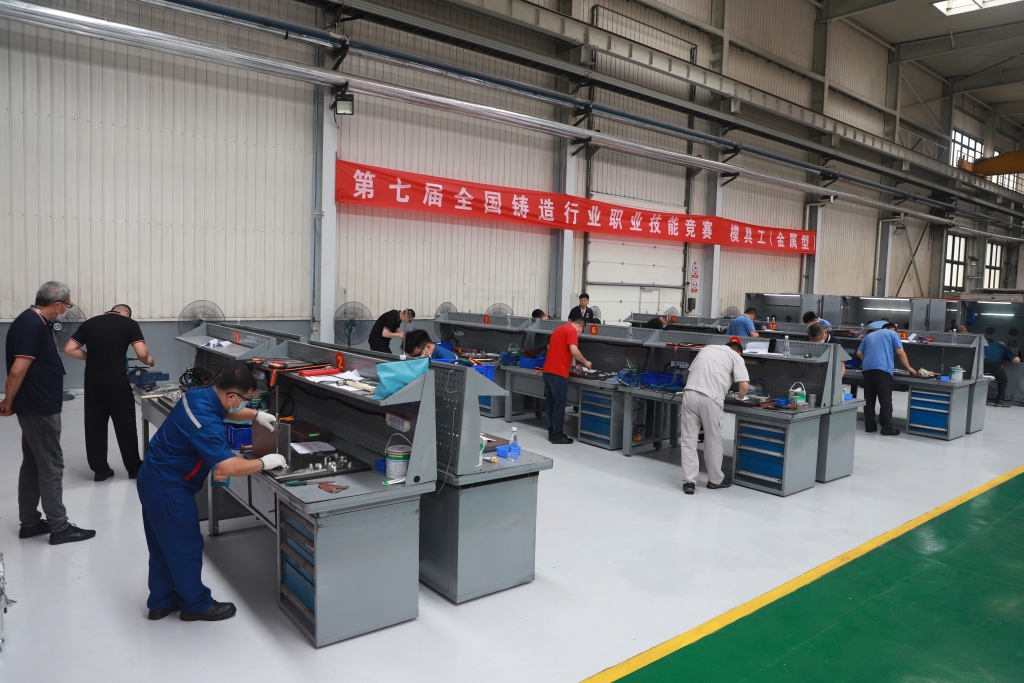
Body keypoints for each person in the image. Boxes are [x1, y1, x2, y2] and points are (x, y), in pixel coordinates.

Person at [137, 365, 285, 622]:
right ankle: (196, 604)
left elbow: (228, 412)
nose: (246, 404)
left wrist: (256, 415)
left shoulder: (200, 395)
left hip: (153, 478)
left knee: (163, 545)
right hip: (169, 487)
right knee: (185, 546)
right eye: (246, 399)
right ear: (232, 396)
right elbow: (229, 466)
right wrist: (264, 462)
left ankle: (161, 601)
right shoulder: (204, 421)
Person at [1, 281, 96, 545]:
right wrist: (8, 400)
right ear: (58, 304)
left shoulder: (35, 322)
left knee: (34, 463)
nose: (67, 309)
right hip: (38, 407)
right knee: (52, 465)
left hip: (37, 404)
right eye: (67, 305)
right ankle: (59, 527)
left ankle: (30, 522)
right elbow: (18, 370)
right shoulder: (31, 325)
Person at [63, 304, 154, 481]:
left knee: (94, 426)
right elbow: (141, 352)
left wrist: (92, 357)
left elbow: (69, 349)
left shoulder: (89, 324)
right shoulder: (129, 324)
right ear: (126, 313)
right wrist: (147, 360)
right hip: (117, 382)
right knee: (126, 426)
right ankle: (134, 469)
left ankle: (100, 470)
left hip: (92, 383)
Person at [679, 341, 749, 495]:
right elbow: (744, 386)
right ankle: (715, 480)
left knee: (688, 440)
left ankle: (689, 482)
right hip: (711, 399)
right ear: (739, 352)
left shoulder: (706, 349)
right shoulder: (735, 356)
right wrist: (740, 398)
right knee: (713, 440)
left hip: (690, 393)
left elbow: (690, 374)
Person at [856, 322, 918, 435]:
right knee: (885, 400)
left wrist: (868, 360)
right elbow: (900, 353)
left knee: (869, 399)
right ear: (893, 329)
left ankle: (869, 426)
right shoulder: (893, 334)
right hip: (882, 370)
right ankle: (886, 428)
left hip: (867, 369)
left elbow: (859, 352)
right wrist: (909, 368)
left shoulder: (869, 335)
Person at [541, 311, 592, 444]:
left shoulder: (558, 329)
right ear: (580, 325)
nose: (579, 334)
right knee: (559, 405)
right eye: (581, 331)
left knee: (551, 404)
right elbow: (574, 351)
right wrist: (586, 362)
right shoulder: (572, 331)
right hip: (558, 374)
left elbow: (556, 350)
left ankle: (552, 432)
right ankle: (557, 435)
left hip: (548, 371)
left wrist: (571, 364)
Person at [983, 340, 1019, 407]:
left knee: (979, 379)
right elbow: (1016, 360)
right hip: (993, 364)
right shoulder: (1004, 348)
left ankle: (981, 399)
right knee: (1003, 380)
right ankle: (1000, 400)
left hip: (979, 363)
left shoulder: (988, 344)